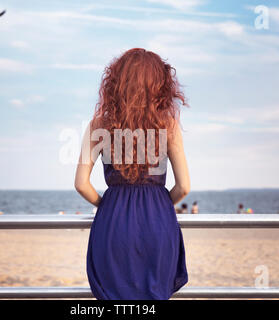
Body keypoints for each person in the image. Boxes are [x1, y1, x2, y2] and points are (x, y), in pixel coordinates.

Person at [75, 48, 189, 300]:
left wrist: (107, 204)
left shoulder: (98, 126)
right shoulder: (167, 125)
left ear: (115, 83)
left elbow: (81, 184)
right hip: (157, 223)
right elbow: (184, 187)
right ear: (159, 85)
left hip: (113, 222)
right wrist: (157, 205)